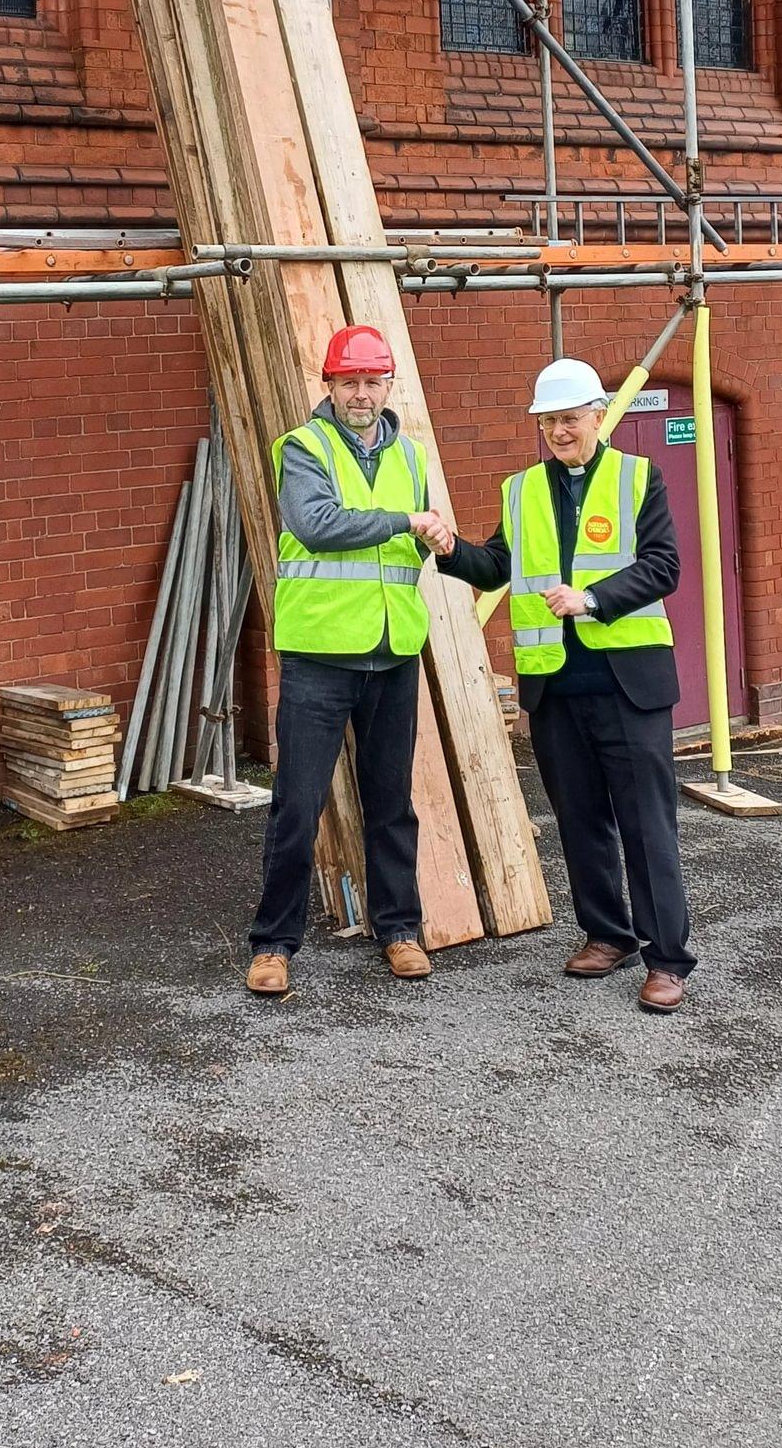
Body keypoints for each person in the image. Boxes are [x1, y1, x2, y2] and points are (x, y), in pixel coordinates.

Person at [436, 357, 695, 1014]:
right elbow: (496, 567)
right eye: (548, 420)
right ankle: (607, 936)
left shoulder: (640, 478)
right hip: (554, 686)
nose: (558, 430)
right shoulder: (520, 490)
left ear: (597, 417)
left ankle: (666, 959)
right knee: (580, 820)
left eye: (569, 418)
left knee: (645, 826)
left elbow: (663, 566)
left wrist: (592, 598)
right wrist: (445, 548)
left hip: (628, 684)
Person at [245, 324, 453, 997]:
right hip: (320, 653)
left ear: (388, 385)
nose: (361, 394)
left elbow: (411, 550)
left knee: (391, 802)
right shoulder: (302, 449)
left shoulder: (411, 458)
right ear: (328, 385)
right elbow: (315, 525)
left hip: (393, 649)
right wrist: (406, 524)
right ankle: (274, 944)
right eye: (348, 382)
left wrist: (434, 537)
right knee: (297, 807)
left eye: (372, 381)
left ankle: (398, 930)